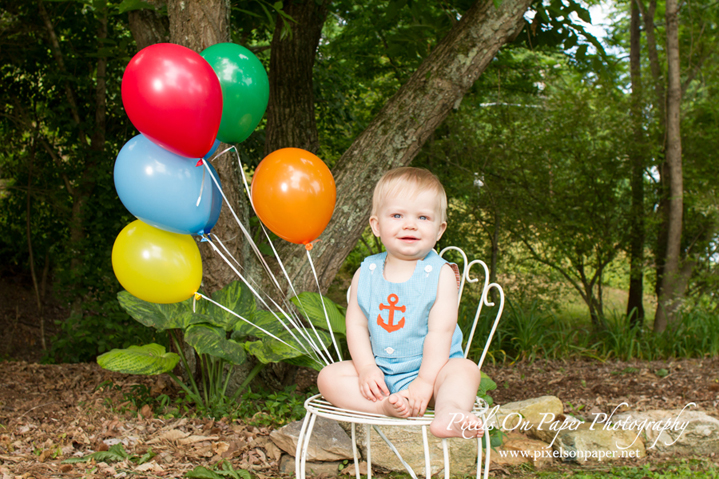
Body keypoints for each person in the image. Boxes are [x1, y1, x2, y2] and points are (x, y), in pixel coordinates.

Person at [317, 167, 483, 439]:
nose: (410, 224)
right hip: (381, 372)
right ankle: (383, 407)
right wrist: (367, 368)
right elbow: (356, 326)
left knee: (465, 370)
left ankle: (449, 411)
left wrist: (425, 382)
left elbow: (440, 333)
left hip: (434, 370)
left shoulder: (440, 274)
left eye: (423, 217)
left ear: (439, 230)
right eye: (397, 215)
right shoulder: (366, 273)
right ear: (376, 226)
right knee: (329, 377)